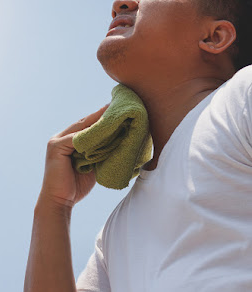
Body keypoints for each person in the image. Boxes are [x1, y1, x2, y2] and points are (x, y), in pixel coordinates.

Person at [24, 0, 252, 291]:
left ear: (213, 37)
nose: (120, 3)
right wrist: (54, 205)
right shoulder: (114, 234)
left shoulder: (241, 98)